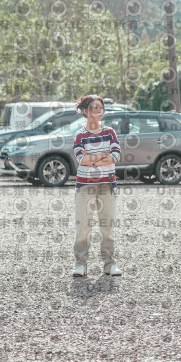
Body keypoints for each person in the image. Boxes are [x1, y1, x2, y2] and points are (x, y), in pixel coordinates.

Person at [72, 94, 122, 277]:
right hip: (85, 186)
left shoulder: (110, 132)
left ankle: (110, 264)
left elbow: (115, 156)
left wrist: (92, 158)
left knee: (107, 227)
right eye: (95, 108)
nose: (99, 111)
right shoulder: (80, 135)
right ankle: (80, 264)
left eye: (101, 107)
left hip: (107, 185)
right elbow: (82, 160)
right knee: (83, 227)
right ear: (86, 111)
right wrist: (103, 156)